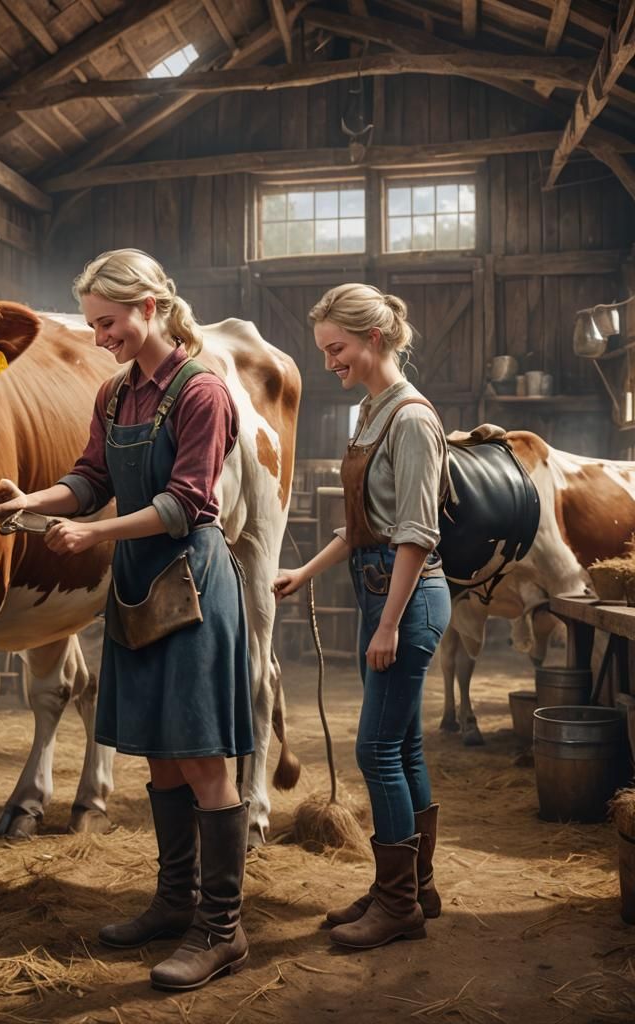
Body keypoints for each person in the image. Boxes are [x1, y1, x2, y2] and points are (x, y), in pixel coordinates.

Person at [0, 248, 253, 991]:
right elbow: (90, 477)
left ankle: (222, 929)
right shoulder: (113, 395)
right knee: (161, 752)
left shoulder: (203, 391)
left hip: (191, 581)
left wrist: (96, 535)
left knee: (201, 757)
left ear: (150, 308)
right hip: (138, 581)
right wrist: (30, 501)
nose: (100, 336)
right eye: (95, 325)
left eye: (109, 323)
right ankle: (174, 904)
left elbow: (190, 503)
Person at [274, 283, 451, 950]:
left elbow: (415, 534)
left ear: (373, 341)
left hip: (408, 598)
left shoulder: (409, 420)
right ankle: (410, 889)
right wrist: (304, 573)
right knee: (401, 745)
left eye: (336, 348)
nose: (329, 362)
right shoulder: (371, 411)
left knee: (374, 748)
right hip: (380, 590)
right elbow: (360, 528)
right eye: (324, 350)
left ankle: (398, 904)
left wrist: (388, 624)